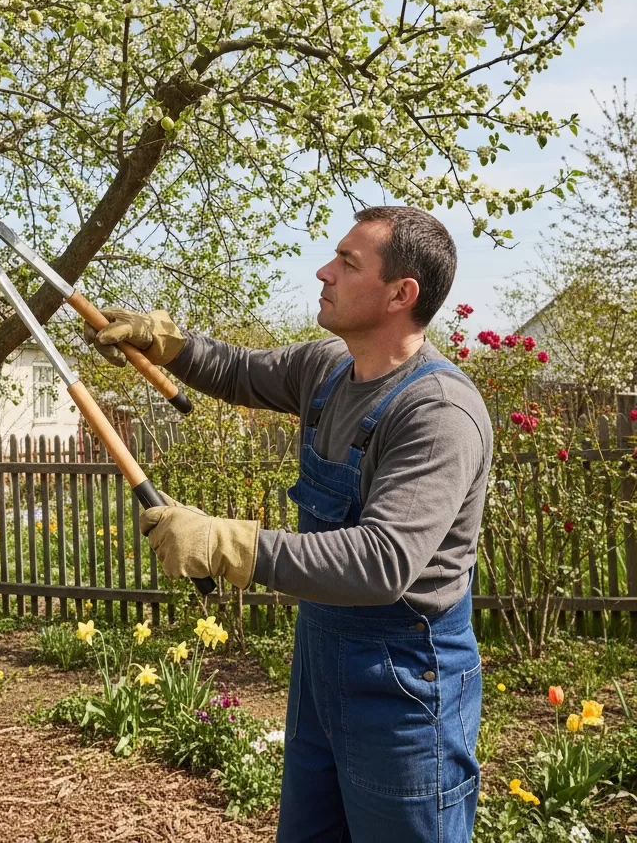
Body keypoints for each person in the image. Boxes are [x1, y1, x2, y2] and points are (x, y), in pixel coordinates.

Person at [84, 206, 493, 843]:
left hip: (406, 680)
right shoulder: (327, 368)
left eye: (348, 263)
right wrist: (169, 344)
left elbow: (382, 562)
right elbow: (243, 372)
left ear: (400, 294)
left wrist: (226, 542)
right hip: (322, 659)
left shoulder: (436, 412)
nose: (324, 272)